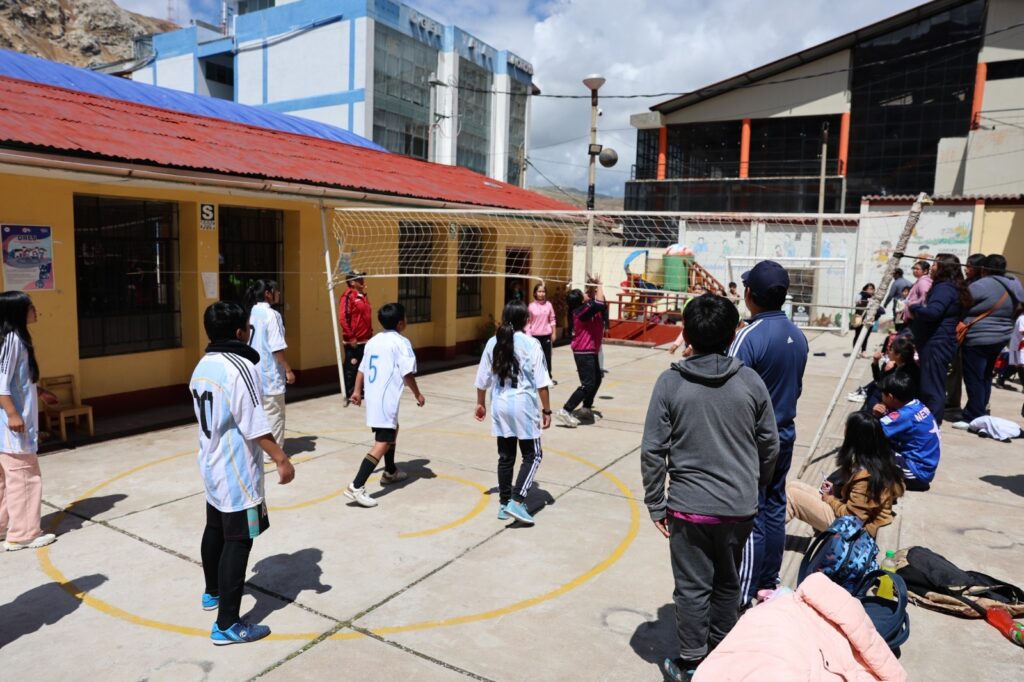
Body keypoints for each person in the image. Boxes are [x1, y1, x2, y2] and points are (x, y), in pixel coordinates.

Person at [641, 294, 779, 682]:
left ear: (686, 333)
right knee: (727, 583)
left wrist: (656, 502)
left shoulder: (670, 383)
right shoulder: (750, 381)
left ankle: (691, 663)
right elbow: (770, 444)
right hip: (738, 507)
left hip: (689, 509)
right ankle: (723, 657)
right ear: (733, 333)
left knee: (692, 587)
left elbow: (653, 448)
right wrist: (755, 484)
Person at [189, 301, 295, 644]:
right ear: (240, 332)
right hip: (237, 472)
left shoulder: (203, 365)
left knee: (215, 527)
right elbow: (254, 422)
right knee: (240, 540)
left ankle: (212, 592)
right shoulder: (241, 367)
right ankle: (227, 624)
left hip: (211, 464)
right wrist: (281, 458)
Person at [728, 260, 808, 607]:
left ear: (750, 295)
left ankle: (745, 590)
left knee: (752, 511)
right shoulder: (798, 335)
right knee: (774, 506)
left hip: (754, 438)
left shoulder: (750, 335)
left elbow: (728, 388)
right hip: (785, 430)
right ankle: (768, 580)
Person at [474, 301, 553, 526]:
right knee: (533, 454)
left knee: (506, 455)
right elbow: (542, 383)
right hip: (523, 405)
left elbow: (482, 380)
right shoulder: (531, 344)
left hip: (500, 403)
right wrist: (547, 410)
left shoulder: (492, 342)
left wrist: (480, 403)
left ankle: (503, 502)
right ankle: (517, 501)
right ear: (526, 320)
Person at [346, 303, 425, 507]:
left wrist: (356, 391)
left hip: (373, 396)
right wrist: (418, 394)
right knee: (382, 442)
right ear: (400, 323)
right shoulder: (400, 342)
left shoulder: (373, 341)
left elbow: (362, 369)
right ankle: (356, 485)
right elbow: (407, 372)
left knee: (393, 428)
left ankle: (389, 471)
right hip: (385, 399)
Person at [786, 411, 905, 537]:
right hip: (853, 518)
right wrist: (836, 491)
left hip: (855, 531)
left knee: (792, 496)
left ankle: (769, 538)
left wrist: (830, 499)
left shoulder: (867, 477)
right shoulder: (879, 459)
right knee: (792, 486)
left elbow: (852, 516)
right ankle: (770, 533)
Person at [0, 292, 56, 551]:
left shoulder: (13, 339)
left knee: (6, 479)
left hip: (8, 427)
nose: (35, 310)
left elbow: (17, 378)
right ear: (16, 312)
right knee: (24, 477)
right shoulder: (12, 339)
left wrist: (39, 390)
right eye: (30, 306)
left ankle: (4, 526)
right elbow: (2, 383)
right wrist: (12, 414)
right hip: (13, 426)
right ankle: (23, 533)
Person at [954, 254, 1024, 429]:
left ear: (984, 269)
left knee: (974, 378)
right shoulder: (1015, 284)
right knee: (985, 376)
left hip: (978, 337)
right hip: (1001, 337)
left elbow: (961, 301)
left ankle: (974, 416)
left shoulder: (982, 284)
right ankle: (980, 410)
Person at [909, 254, 972, 425]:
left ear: (943, 268)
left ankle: (931, 424)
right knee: (932, 383)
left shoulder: (944, 288)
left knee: (932, 386)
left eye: (935, 264)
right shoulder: (952, 287)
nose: (932, 268)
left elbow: (933, 312)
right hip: (938, 341)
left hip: (937, 342)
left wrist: (913, 306)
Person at [244, 280, 294, 463]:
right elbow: (276, 346)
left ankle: (259, 449)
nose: (278, 294)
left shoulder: (251, 312)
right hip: (269, 373)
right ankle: (273, 453)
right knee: (275, 414)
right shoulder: (272, 315)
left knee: (259, 413)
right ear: (268, 293)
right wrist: (288, 369)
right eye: (276, 291)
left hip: (253, 372)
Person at [871, 370, 940, 492]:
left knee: (868, 452)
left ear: (890, 397)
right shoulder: (917, 405)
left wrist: (875, 416)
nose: (881, 397)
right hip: (926, 468)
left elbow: (868, 432)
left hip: (916, 473)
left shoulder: (904, 415)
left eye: (883, 395)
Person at [557, 277, 605, 427]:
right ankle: (565, 410)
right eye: (582, 293)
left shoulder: (584, 307)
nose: (586, 294)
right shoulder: (581, 311)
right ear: (580, 300)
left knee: (597, 379)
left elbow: (597, 301)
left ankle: (585, 407)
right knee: (587, 384)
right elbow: (598, 303)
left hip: (590, 350)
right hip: (583, 352)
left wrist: (593, 287)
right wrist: (599, 285)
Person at [338, 271, 372, 405]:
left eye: (363, 278)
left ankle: (360, 391)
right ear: (352, 282)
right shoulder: (347, 296)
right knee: (352, 367)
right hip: (354, 341)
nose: (363, 281)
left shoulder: (363, 296)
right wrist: (351, 337)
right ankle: (350, 393)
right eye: (359, 279)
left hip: (366, 339)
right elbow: (343, 318)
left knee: (363, 367)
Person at [862, 333, 919, 413]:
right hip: (884, 398)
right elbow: (878, 380)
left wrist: (883, 404)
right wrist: (876, 362)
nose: (888, 351)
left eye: (891, 349)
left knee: (873, 393)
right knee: (872, 390)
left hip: (894, 405)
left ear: (898, 355)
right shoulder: (895, 364)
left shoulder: (909, 372)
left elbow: (900, 397)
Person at [525, 282, 557, 385]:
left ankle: (548, 378)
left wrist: (554, 333)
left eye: (543, 291)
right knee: (534, 358)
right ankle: (533, 378)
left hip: (546, 336)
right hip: (534, 336)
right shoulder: (531, 306)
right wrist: (528, 336)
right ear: (535, 293)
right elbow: (528, 322)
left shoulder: (549, 305)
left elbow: (552, 320)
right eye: (539, 291)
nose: (541, 294)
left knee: (547, 358)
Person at [668, 284, 706, 354]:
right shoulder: (689, 301)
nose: (697, 291)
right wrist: (676, 345)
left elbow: (701, 332)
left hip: (700, 345)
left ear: (702, 291)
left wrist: (691, 347)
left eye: (699, 289)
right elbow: (685, 328)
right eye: (695, 289)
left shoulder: (703, 303)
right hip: (690, 338)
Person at [995, 307, 1024, 389]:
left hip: (1021, 345)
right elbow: (1022, 331)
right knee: (1019, 365)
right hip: (1018, 345)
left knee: (1016, 365)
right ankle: (1001, 378)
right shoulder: (1022, 318)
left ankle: (1002, 378)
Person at [901, 260, 932, 325]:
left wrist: (911, 304)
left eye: (917, 269)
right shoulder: (920, 280)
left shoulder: (923, 282)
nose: (914, 271)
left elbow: (924, 297)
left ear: (925, 271)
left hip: (916, 317)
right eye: (913, 268)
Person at [850, 283, 876, 357]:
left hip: (869, 318)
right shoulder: (860, 295)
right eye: (870, 288)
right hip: (857, 316)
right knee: (857, 334)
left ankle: (863, 351)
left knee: (866, 335)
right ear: (865, 289)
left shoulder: (874, 298)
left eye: (873, 289)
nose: (872, 290)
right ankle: (855, 351)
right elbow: (857, 302)